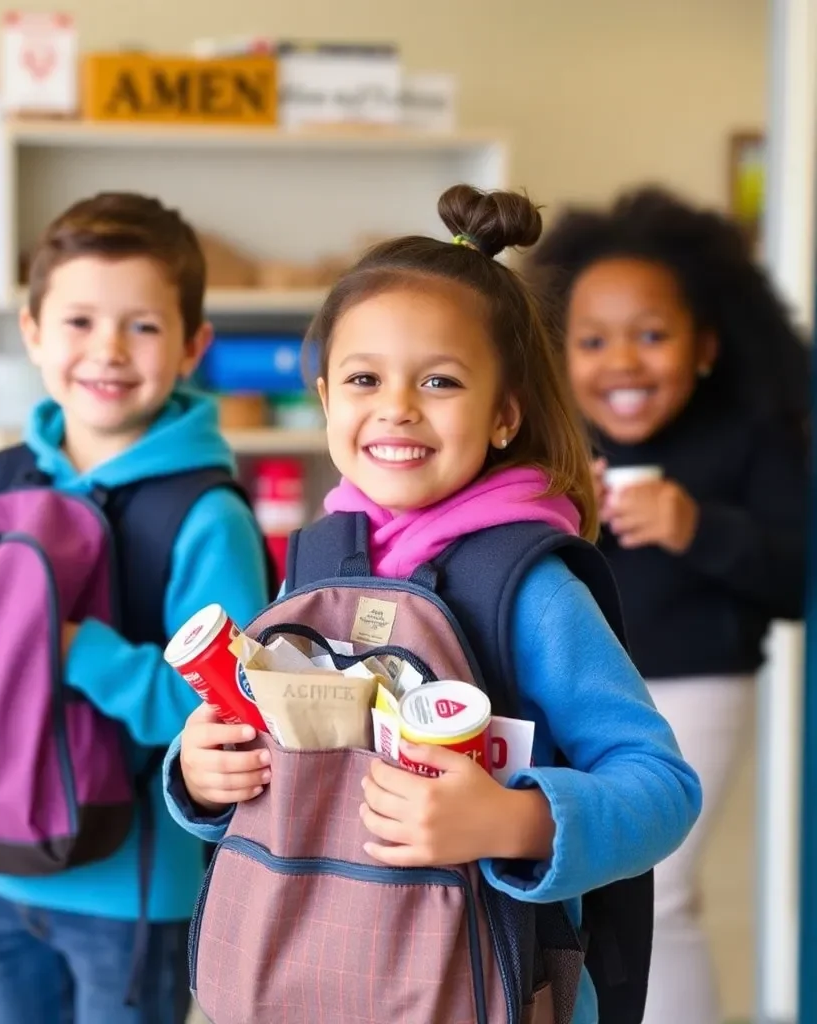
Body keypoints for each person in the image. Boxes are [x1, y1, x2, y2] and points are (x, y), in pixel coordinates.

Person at [163, 184, 703, 1024]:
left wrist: (515, 822)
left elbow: (662, 790)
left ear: (502, 417)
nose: (396, 407)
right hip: (295, 976)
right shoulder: (314, 565)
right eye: (364, 377)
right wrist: (203, 775)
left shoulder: (529, 590)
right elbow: (290, 778)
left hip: (478, 989)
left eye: (441, 380)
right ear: (325, 396)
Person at [0, 192, 271, 1023]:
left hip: (134, 889)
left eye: (142, 326)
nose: (107, 350)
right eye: (79, 322)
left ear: (192, 346)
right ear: (33, 330)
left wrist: (74, 647)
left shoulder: (207, 516)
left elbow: (223, 711)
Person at [531, 187, 809, 1024]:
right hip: (574, 688)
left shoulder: (752, 437)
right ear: (557, 352)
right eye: (593, 340)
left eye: (651, 336)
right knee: (582, 897)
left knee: (664, 890)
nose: (622, 361)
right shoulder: (550, 440)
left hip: (699, 680)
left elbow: (796, 581)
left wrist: (700, 528)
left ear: (705, 348)